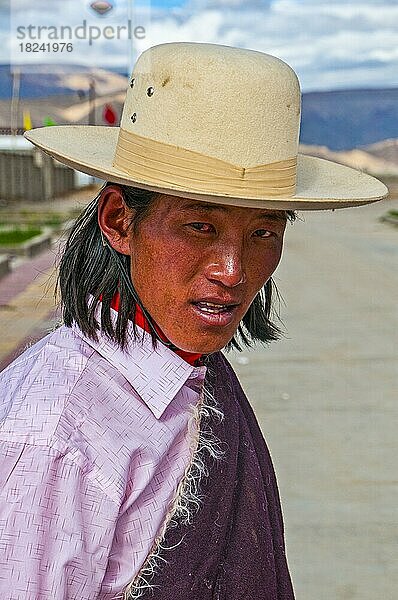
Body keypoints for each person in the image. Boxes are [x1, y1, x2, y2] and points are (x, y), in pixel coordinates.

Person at [0, 42, 387, 600]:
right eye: (200, 227)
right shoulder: (53, 438)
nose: (232, 272)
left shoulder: (190, 367)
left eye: (262, 233)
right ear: (119, 221)